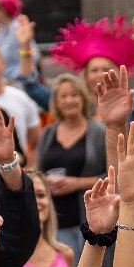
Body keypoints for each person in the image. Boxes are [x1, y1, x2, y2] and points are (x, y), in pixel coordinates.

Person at [31, 74, 104, 244]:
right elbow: (38, 172)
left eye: (74, 95)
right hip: (55, 220)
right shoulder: (48, 133)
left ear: (83, 98)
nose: (69, 100)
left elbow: (113, 176)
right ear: (55, 102)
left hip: (89, 219)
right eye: (63, 96)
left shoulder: (99, 132)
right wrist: (45, 181)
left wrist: (77, 183)